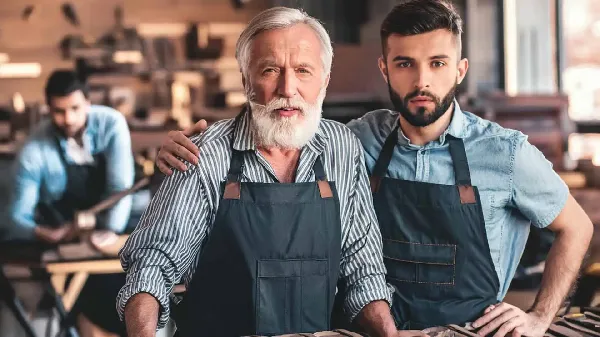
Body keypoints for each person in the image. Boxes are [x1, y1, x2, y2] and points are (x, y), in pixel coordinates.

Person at [156, 1, 594, 336]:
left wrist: (539, 316)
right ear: (386, 68)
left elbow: (577, 227)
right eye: (405, 63)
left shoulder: (506, 153)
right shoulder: (355, 140)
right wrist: (181, 148)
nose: (422, 80)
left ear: (459, 70)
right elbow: (280, 126)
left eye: (437, 63)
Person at [116, 7, 419, 337]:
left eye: (303, 70)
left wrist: (388, 333)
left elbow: (363, 266)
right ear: (246, 79)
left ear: (324, 80)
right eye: (271, 70)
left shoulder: (342, 149)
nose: (287, 88)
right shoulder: (204, 155)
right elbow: (153, 265)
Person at [3, 69, 135, 336]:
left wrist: (105, 233)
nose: (68, 119)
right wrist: (43, 233)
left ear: (88, 102)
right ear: (48, 109)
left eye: (75, 108)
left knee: (131, 292)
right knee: (81, 299)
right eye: (59, 111)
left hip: (110, 231)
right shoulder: (34, 150)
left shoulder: (112, 124)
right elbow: (16, 216)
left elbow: (119, 190)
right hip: (64, 236)